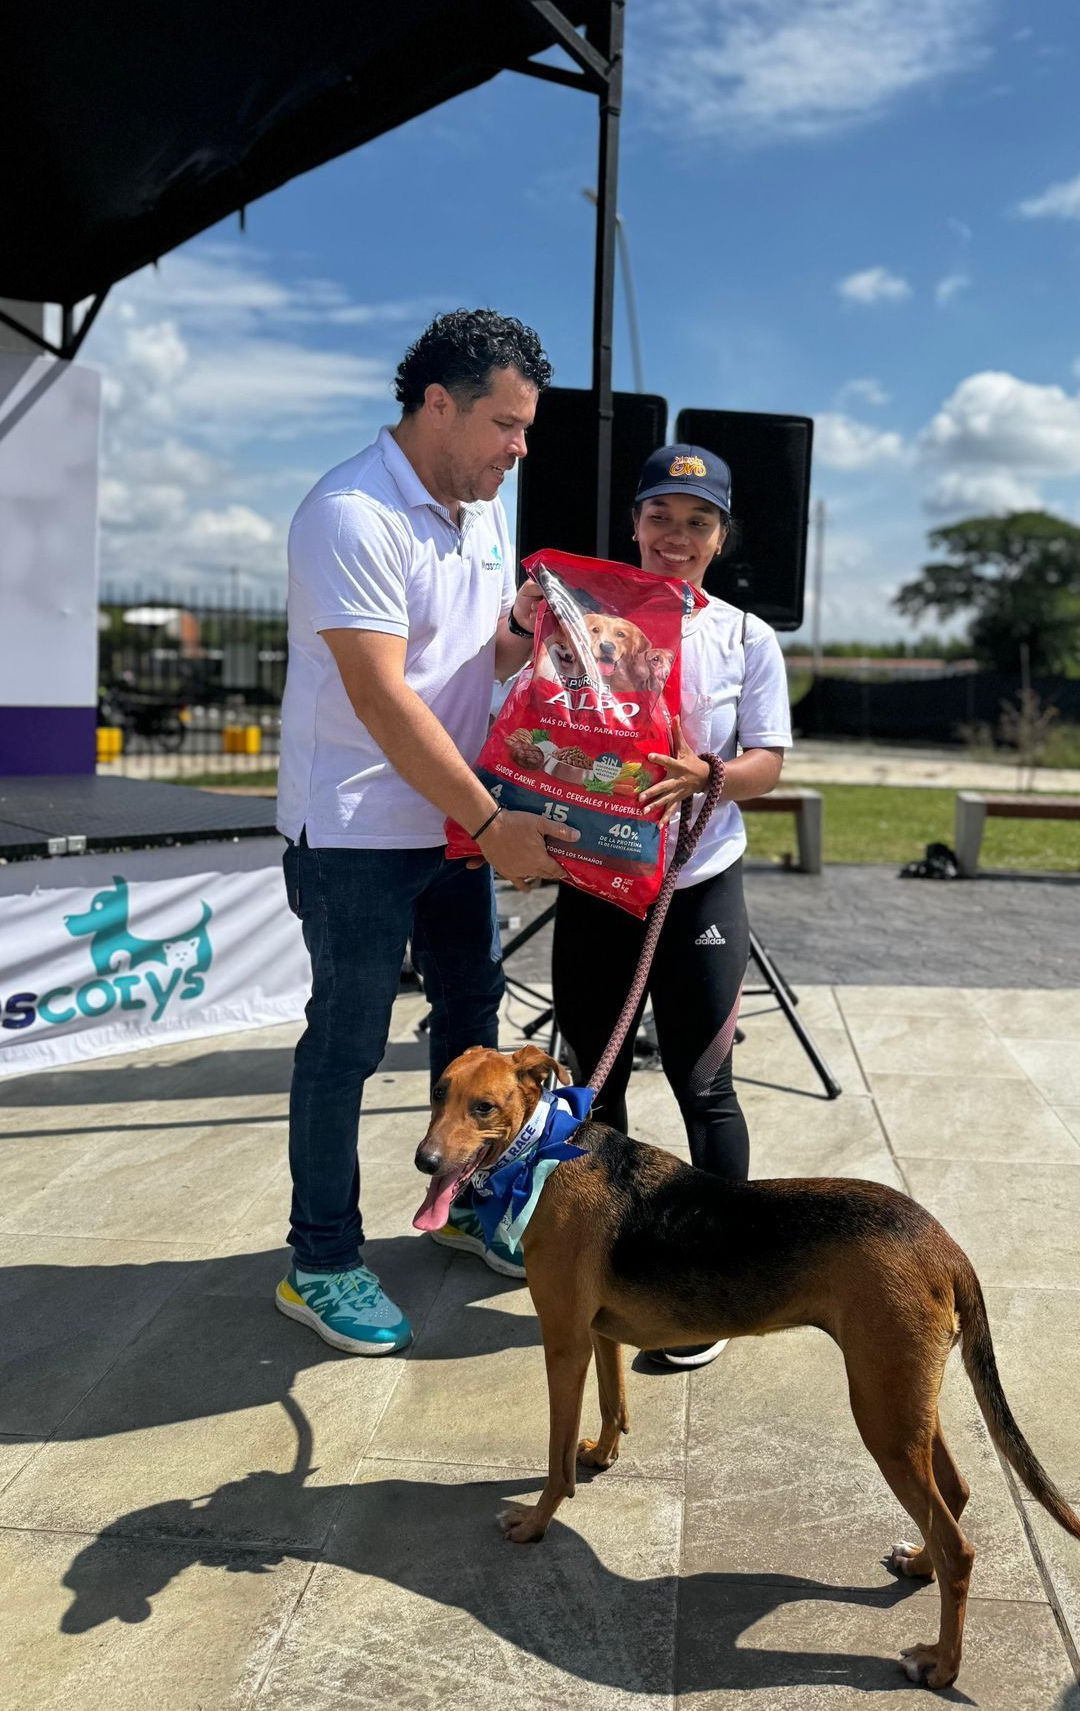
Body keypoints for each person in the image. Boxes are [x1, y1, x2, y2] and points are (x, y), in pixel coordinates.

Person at [274, 310, 576, 1357]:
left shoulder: (481, 514)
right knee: (346, 1046)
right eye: (505, 424)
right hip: (359, 826)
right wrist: (494, 822)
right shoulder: (351, 514)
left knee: (471, 1026)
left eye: (526, 428)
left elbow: (467, 662)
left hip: (452, 816)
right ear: (435, 407)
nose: (519, 447)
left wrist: (524, 638)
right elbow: (381, 698)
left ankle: (467, 1209)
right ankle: (320, 1261)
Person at [549, 443, 793, 1368]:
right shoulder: (586, 621)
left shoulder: (745, 636)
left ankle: (717, 1292)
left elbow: (768, 762)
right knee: (595, 1084)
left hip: (698, 884)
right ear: (635, 525)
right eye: (661, 517)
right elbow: (541, 722)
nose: (676, 536)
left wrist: (710, 776)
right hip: (600, 879)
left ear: (720, 536)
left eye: (697, 522)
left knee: (705, 1085)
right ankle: (596, 1261)